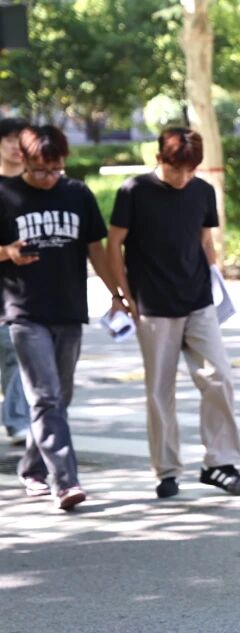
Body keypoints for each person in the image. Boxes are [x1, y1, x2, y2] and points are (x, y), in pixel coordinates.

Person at [107, 127, 240, 500]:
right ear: (159, 159)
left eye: (191, 170)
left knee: (219, 377)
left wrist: (217, 281)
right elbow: (114, 244)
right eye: (176, 169)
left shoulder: (202, 191)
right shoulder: (134, 191)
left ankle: (220, 463)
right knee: (160, 390)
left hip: (199, 300)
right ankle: (167, 470)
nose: (184, 177)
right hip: (153, 306)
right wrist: (123, 296)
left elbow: (205, 240)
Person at [0, 125, 122, 510]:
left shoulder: (77, 194)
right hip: (24, 312)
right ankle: (65, 481)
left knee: (58, 397)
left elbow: (96, 250)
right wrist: (7, 253)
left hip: (69, 310)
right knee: (46, 397)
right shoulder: (5, 195)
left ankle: (32, 468)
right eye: (40, 170)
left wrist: (117, 294)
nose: (49, 177)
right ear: (24, 159)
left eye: (56, 169)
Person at [0, 117, 31, 446]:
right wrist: (6, 252)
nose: (15, 147)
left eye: (20, 140)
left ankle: (17, 419)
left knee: (16, 353)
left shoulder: (39, 186)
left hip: (29, 291)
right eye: (8, 139)